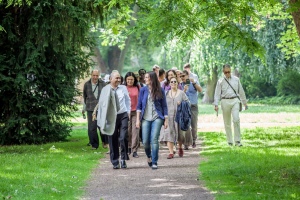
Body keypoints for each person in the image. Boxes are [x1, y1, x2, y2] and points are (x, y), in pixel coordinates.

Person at [97, 71, 131, 169]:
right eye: (116, 78)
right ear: (110, 79)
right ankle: (115, 161)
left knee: (123, 136)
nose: (118, 80)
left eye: (119, 78)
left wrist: (128, 111)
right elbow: (102, 105)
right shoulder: (105, 89)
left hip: (123, 114)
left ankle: (123, 158)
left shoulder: (123, 88)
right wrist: (101, 119)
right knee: (112, 139)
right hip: (111, 116)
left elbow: (127, 100)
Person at [136, 71, 168, 170]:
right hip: (145, 118)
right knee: (145, 141)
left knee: (154, 139)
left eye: (147, 77)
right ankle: (149, 156)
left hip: (157, 117)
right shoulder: (143, 90)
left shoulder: (160, 90)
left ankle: (154, 161)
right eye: (145, 77)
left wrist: (166, 119)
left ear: (152, 79)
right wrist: (138, 120)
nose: (145, 79)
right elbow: (139, 106)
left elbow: (164, 106)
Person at [213, 64, 247, 146]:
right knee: (227, 122)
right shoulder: (220, 81)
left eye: (228, 72)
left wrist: (244, 103)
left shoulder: (236, 79)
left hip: (235, 100)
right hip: (225, 101)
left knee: (236, 119)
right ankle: (230, 141)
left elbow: (241, 91)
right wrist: (216, 104)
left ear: (230, 71)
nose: (227, 74)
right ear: (223, 72)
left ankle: (238, 141)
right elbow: (217, 94)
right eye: (225, 72)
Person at [160, 77, 190, 158]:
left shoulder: (181, 93)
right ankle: (170, 152)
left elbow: (188, 103)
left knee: (180, 135)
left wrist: (182, 103)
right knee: (169, 133)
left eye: (175, 81)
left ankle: (180, 147)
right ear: (169, 83)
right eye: (171, 82)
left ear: (177, 83)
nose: (173, 83)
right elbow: (162, 104)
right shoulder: (166, 93)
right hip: (168, 116)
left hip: (179, 116)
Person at [82, 69, 106, 150]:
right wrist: (84, 108)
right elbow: (85, 97)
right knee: (92, 128)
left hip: (101, 108)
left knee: (102, 126)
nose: (95, 77)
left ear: (98, 75)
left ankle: (105, 142)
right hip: (91, 109)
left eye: (97, 75)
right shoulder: (86, 84)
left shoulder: (103, 84)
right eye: (94, 75)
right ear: (91, 75)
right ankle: (94, 145)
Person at [181, 69, 202, 149]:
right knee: (186, 124)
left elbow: (200, 90)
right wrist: (184, 90)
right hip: (185, 106)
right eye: (181, 76)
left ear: (187, 76)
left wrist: (194, 82)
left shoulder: (193, 82)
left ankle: (193, 140)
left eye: (183, 76)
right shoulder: (180, 85)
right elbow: (179, 96)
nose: (182, 78)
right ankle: (186, 143)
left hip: (193, 106)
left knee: (194, 125)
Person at [124, 72, 140, 158]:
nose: (130, 81)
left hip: (136, 112)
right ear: (126, 80)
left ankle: (134, 150)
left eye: (132, 79)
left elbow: (141, 99)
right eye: (128, 79)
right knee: (128, 131)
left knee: (135, 131)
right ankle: (129, 147)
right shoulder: (123, 88)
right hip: (126, 112)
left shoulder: (137, 87)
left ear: (134, 80)